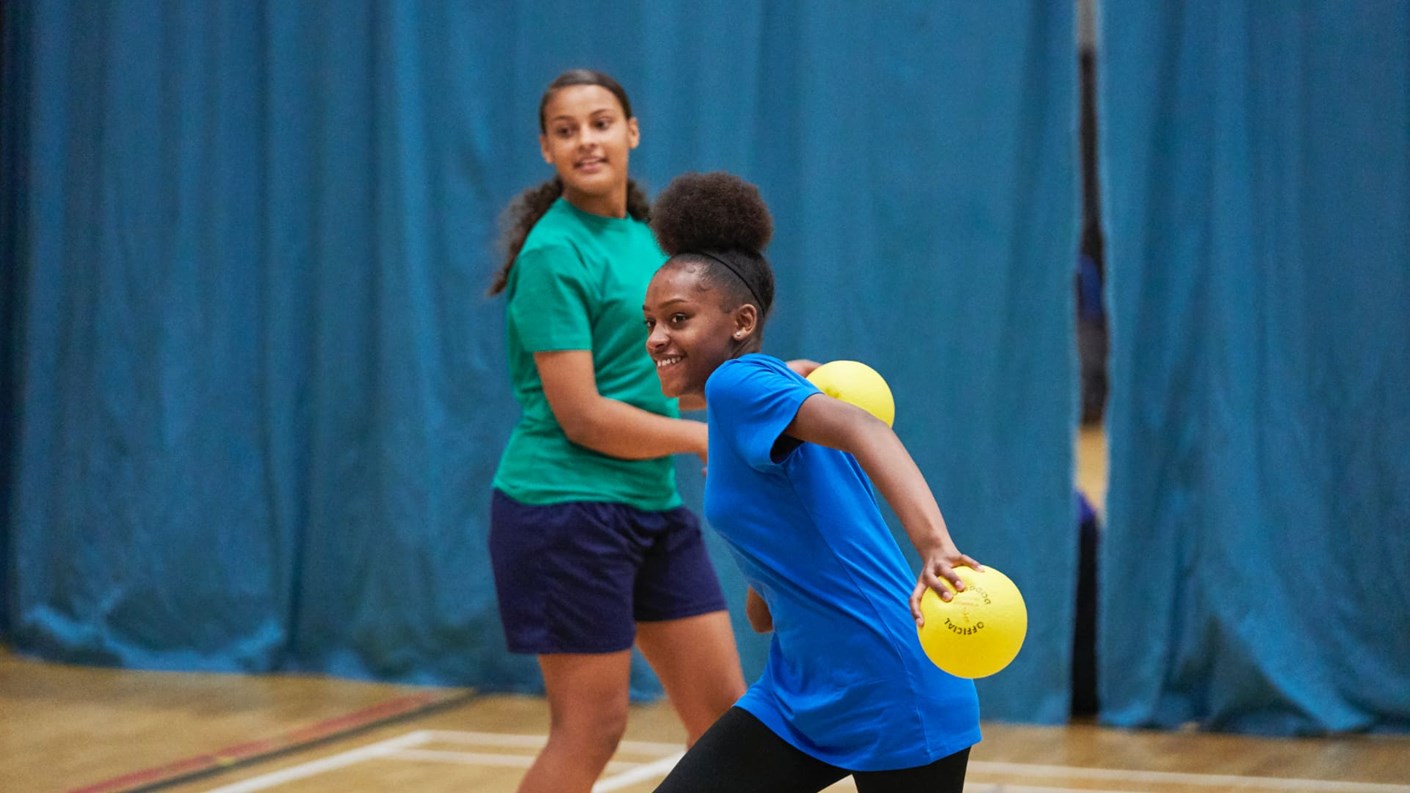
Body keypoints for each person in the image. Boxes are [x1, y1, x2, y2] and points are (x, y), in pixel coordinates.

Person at [643, 172, 983, 793]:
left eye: (678, 318)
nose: (657, 339)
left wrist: (934, 544)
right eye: (651, 322)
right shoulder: (764, 403)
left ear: (741, 321)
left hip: (889, 683)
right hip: (800, 692)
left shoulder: (739, 386)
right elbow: (770, 604)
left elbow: (866, 428)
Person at [486, 70, 746, 793]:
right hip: (563, 511)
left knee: (727, 721)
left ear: (632, 132)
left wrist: (776, 395)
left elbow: (668, 385)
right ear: (546, 148)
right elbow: (586, 416)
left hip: (649, 504)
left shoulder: (649, 244)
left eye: (601, 123)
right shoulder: (552, 253)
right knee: (592, 727)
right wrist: (706, 441)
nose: (586, 140)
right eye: (566, 130)